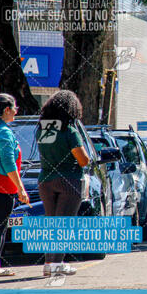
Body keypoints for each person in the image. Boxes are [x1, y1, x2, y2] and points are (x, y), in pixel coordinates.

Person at [36, 91, 90, 276]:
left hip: (45, 181)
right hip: (69, 181)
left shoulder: (44, 129)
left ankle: (49, 263)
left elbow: (49, 154)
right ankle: (57, 265)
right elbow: (82, 160)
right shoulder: (69, 131)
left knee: (52, 224)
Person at [0, 94, 29, 277]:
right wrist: (20, 189)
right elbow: (9, 164)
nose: (16, 111)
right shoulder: (4, 132)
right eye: (15, 108)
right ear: (7, 110)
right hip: (1, 186)